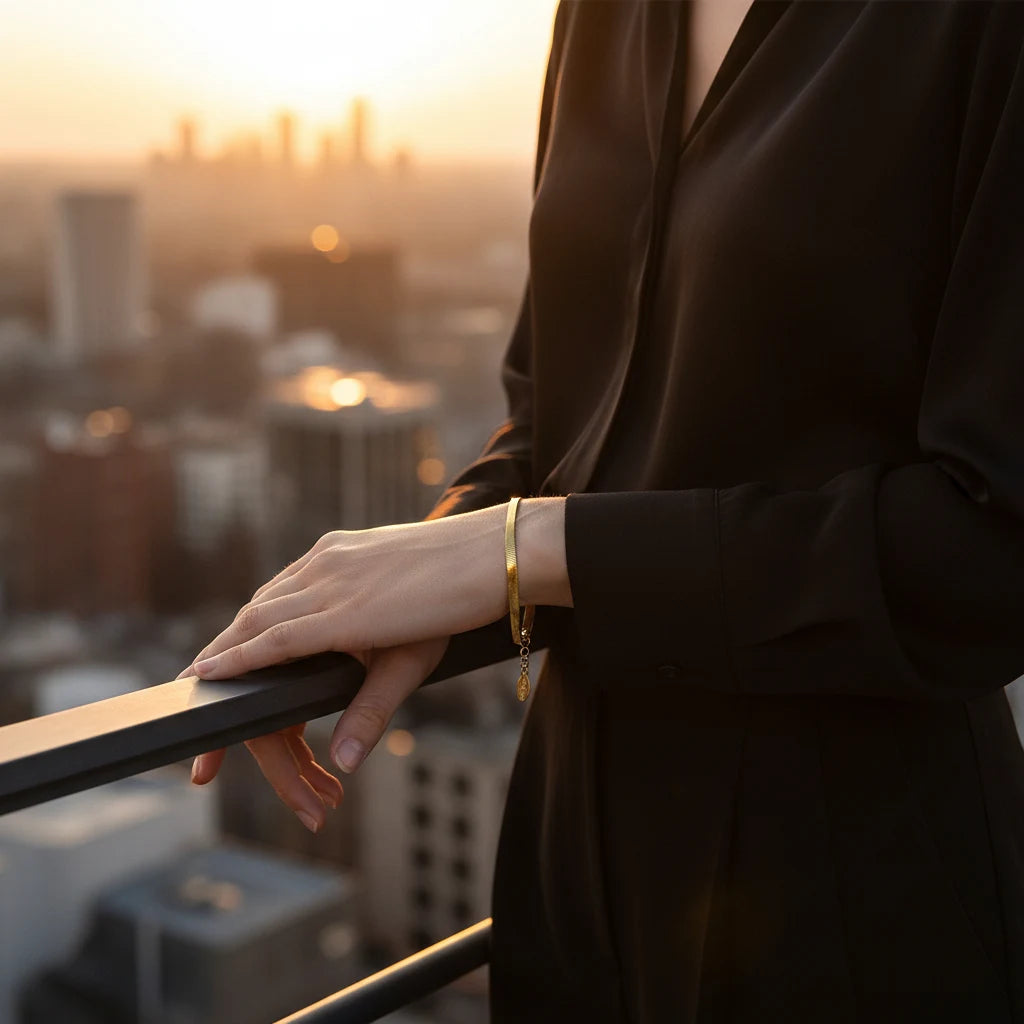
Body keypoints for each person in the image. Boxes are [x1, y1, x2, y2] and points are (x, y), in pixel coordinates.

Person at [180, 2, 1024, 1020]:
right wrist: (406, 580)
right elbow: (557, 414)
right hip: (569, 868)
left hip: (851, 892)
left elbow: (991, 550)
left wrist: (533, 546)